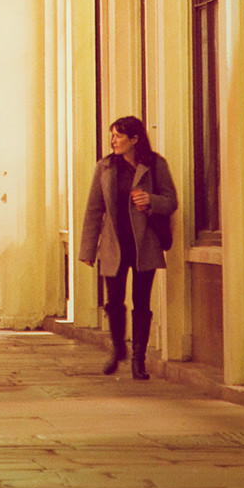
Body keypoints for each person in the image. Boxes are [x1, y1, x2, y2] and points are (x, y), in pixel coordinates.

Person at [80, 116, 178, 380]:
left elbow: (171, 202)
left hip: (144, 243)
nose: (114, 141)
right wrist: (88, 250)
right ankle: (118, 348)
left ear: (135, 139)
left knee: (141, 302)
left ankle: (139, 360)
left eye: (119, 136)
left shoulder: (155, 165)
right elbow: (94, 209)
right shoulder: (105, 167)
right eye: (112, 135)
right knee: (113, 302)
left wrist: (151, 200)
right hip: (114, 244)